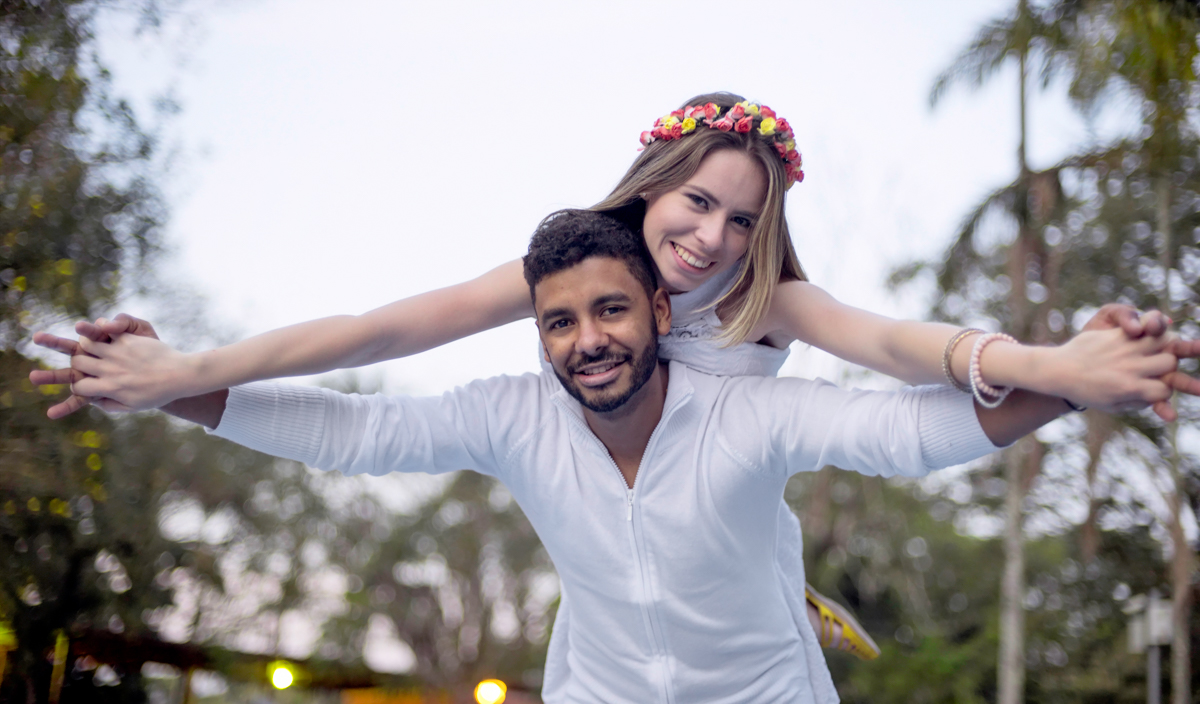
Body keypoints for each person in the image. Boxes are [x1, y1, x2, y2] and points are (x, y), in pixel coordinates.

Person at [30, 92, 1193, 666]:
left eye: (743, 218)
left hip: (740, 568)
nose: (713, 235)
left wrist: (1059, 366)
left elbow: (897, 354)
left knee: (760, 538)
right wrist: (183, 370)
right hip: (614, 629)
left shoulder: (761, 306)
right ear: (650, 187)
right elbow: (378, 335)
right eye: (697, 201)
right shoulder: (578, 270)